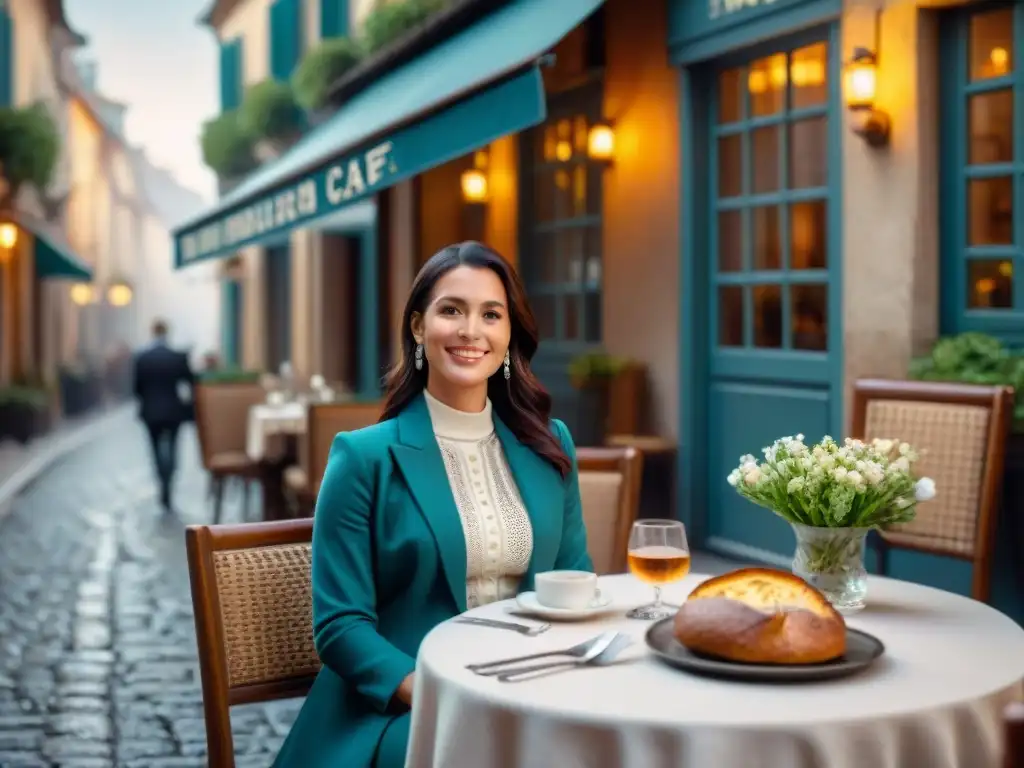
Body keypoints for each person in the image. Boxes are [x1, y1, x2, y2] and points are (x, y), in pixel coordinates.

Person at [273, 242, 594, 768]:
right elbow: (340, 625)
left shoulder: (550, 444)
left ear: (509, 334)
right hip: (405, 707)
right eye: (452, 310)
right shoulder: (363, 458)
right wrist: (437, 692)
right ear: (419, 328)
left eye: (491, 314)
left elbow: (574, 580)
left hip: (531, 687)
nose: (472, 330)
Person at [133, 319, 195, 512]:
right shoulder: (177, 356)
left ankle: (162, 480)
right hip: (173, 410)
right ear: (167, 333)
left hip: (151, 411)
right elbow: (190, 382)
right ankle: (169, 480)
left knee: (155, 449)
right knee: (174, 448)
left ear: (152, 332)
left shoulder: (142, 357)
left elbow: (137, 388)